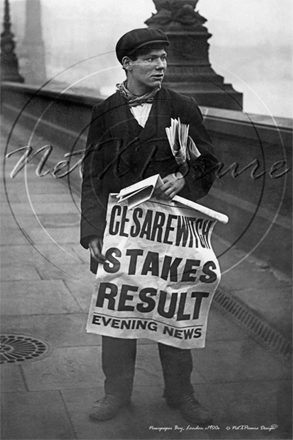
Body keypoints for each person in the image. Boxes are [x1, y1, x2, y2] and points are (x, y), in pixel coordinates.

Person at [80, 27, 218, 424]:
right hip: (121, 232)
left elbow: (207, 161)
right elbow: (92, 175)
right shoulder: (104, 111)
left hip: (170, 234)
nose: (161, 65)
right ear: (127, 64)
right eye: (150, 59)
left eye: (163, 58)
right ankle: (115, 394)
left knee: (173, 310)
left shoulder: (183, 106)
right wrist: (92, 231)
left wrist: (185, 180)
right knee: (118, 313)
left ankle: (182, 394)